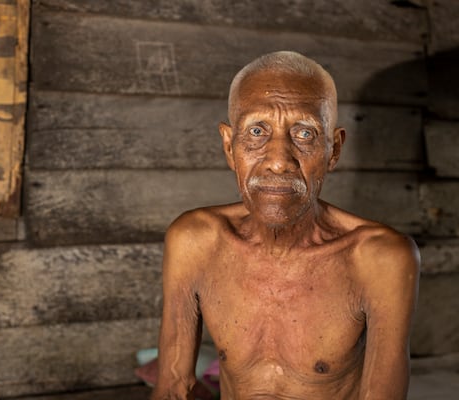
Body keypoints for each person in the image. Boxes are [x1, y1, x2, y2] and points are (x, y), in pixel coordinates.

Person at [151, 51, 420, 400]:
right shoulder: (195, 241)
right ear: (229, 146)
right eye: (257, 131)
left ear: (333, 150)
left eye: (305, 134)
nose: (279, 162)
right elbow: (172, 387)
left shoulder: (379, 258)